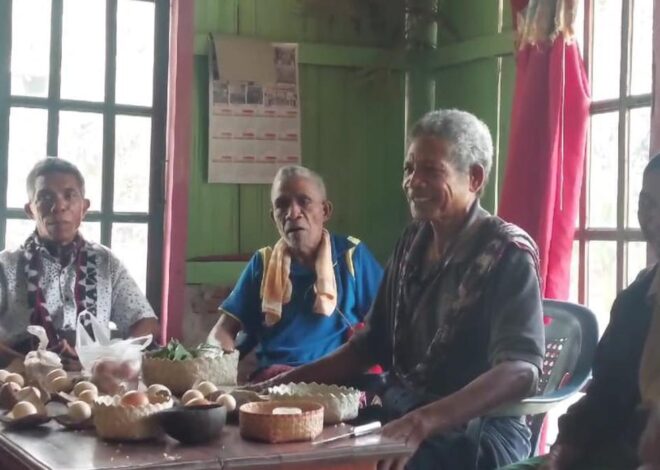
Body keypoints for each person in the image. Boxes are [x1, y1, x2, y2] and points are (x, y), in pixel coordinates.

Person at [249, 109, 546, 470]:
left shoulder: (507, 254)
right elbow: (368, 347)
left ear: (475, 178)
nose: (412, 181)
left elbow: (521, 370)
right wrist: (274, 388)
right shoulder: (413, 241)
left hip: (476, 432)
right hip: (402, 411)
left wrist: (423, 422)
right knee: (292, 452)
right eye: (409, 168)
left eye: (431, 171)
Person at [501, 153, 660, 470]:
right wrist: (562, 451)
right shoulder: (636, 300)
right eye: (647, 203)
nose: (653, 219)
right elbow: (603, 394)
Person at [209, 165, 383, 382]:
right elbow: (223, 330)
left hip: (335, 380)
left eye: (304, 201)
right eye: (282, 205)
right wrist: (218, 360)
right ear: (274, 217)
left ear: (325, 211)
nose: (293, 213)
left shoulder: (351, 255)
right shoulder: (263, 263)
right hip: (273, 381)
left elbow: (386, 327)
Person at [0, 158, 159, 369]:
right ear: (31, 210)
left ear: (84, 208)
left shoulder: (107, 263)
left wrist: (113, 358)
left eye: (70, 196)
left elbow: (145, 322)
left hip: (95, 379)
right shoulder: (6, 265)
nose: (59, 206)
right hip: (23, 381)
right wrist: (26, 365)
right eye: (46, 197)